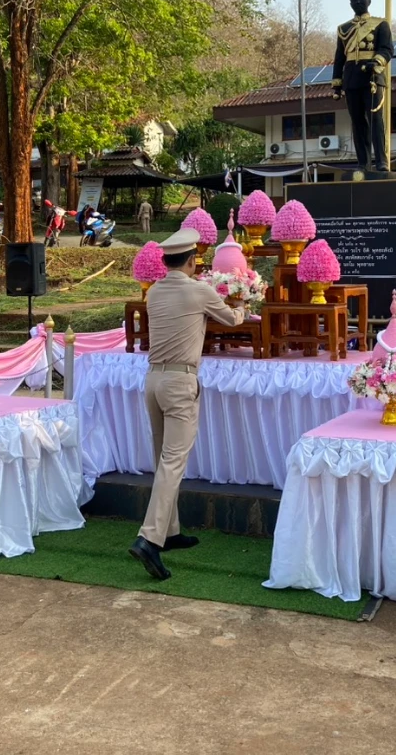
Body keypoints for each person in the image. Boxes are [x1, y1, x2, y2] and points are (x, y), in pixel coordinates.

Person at [128, 228, 245, 580]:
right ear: (193, 261)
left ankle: (171, 531)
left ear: (165, 262)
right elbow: (231, 320)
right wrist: (242, 303)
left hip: (153, 380)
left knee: (162, 455)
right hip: (180, 381)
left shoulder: (155, 293)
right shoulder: (199, 290)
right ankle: (150, 539)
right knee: (172, 463)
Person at [331, 0, 394, 174]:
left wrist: (376, 61)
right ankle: (363, 163)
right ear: (350, 3)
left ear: (369, 1)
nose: (358, 2)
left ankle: (381, 161)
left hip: (372, 78)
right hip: (351, 79)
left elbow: (387, 49)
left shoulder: (380, 24)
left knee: (376, 120)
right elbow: (339, 58)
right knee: (357, 122)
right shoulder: (344, 29)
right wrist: (337, 84)